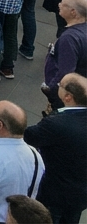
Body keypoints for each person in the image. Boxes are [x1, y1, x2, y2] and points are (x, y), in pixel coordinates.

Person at [24, 72, 87, 223]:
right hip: (79, 196)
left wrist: (49, 116)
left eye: (60, 85)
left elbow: (29, 136)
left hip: (53, 195)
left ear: (68, 97)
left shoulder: (56, 123)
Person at [41, 0, 87, 110]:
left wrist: (50, 91)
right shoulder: (82, 30)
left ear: (73, 12)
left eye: (63, 3)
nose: (59, 4)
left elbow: (65, 74)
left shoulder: (69, 38)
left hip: (64, 99)